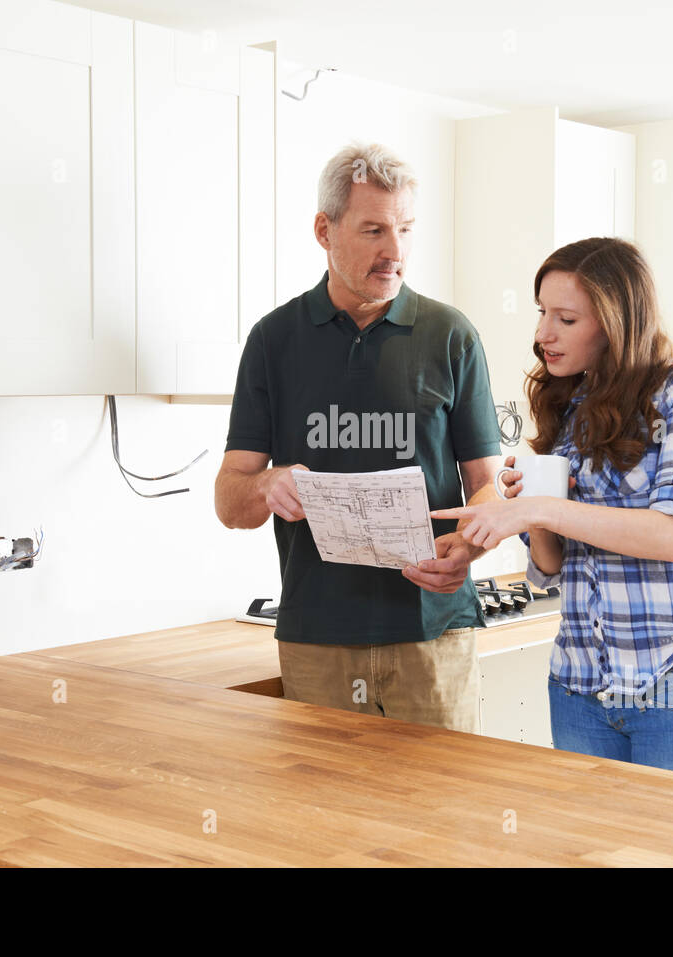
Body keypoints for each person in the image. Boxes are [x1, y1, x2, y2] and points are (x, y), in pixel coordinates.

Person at [215, 143, 503, 732]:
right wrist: (268, 484)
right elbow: (229, 501)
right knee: (325, 819)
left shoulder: (452, 336)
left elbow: (489, 490)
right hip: (318, 640)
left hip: (434, 636)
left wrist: (470, 547)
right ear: (325, 230)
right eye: (373, 230)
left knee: (441, 814)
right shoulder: (273, 341)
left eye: (405, 229)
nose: (394, 252)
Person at [433, 237, 673, 779]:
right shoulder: (568, 405)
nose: (542, 334)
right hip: (581, 684)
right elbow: (551, 566)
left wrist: (542, 512)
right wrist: (527, 505)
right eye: (541, 313)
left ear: (615, 321)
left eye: (565, 318)